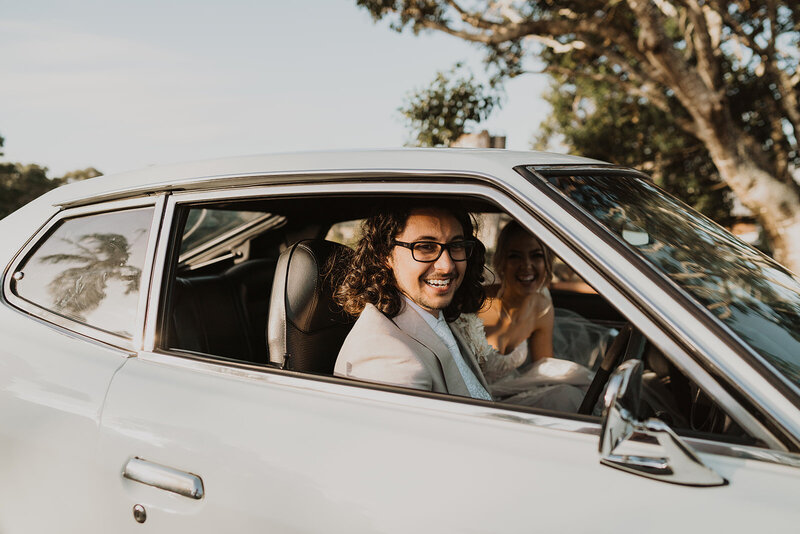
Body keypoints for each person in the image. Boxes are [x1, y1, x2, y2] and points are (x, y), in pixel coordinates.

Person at [333, 200, 493, 400]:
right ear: (385, 254)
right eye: (425, 247)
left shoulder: (435, 316)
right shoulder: (388, 357)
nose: (447, 266)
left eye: (456, 245)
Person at [464, 221, 594, 411]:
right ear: (501, 262)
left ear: (547, 261)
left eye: (536, 256)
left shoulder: (541, 306)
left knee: (568, 395)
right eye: (515, 257)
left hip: (511, 395)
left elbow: (542, 372)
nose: (527, 266)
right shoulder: (474, 302)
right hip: (467, 400)